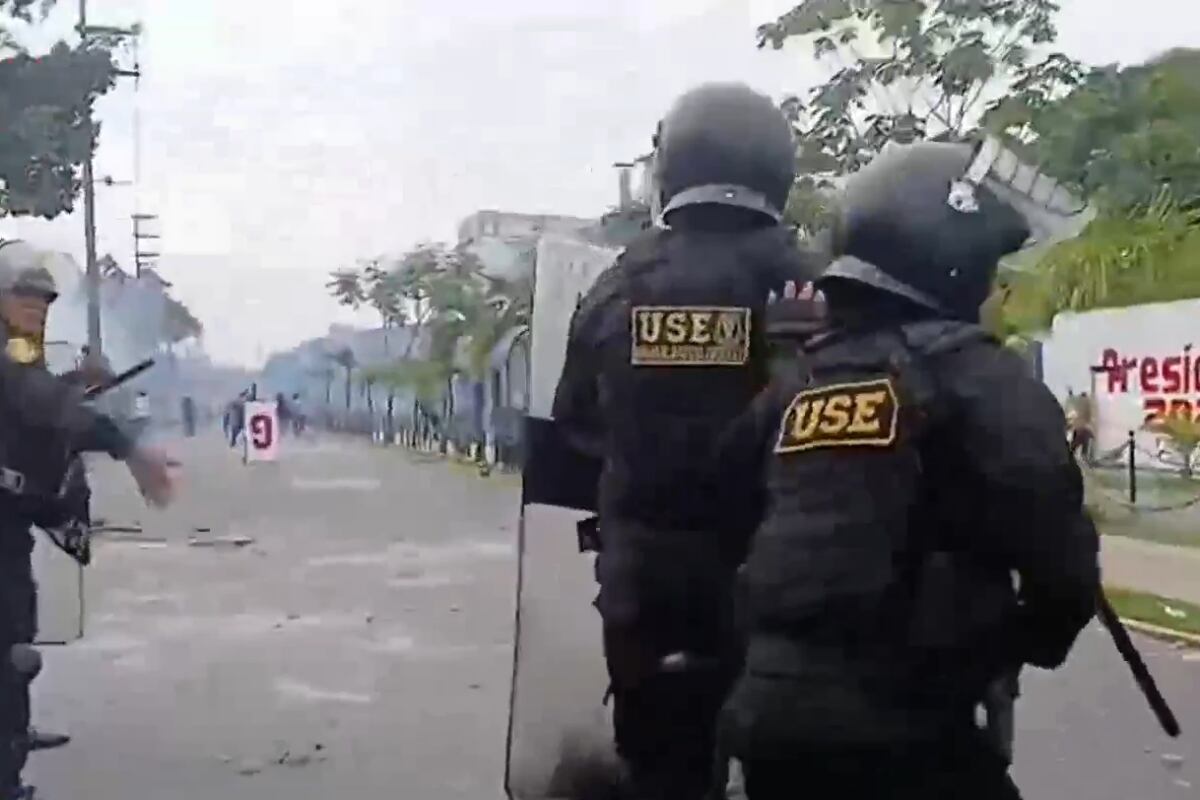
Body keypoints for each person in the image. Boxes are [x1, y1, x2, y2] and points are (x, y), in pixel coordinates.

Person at [717, 139, 1100, 799]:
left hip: (768, 721)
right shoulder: (979, 378)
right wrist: (1020, 637)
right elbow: (1060, 559)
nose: (995, 291)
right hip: (906, 729)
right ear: (956, 267)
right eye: (990, 270)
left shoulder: (800, 383)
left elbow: (722, 505)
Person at [551, 83, 819, 799]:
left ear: (670, 168)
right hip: (785, 593)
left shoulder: (617, 285)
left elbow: (573, 424)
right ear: (776, 166)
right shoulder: (811, 280)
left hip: (647, 592)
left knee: (657, 770)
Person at [0, 239, 179, 800]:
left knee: (17, 639)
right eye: (24, 296)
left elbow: (41, 398)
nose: (36, 305)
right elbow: (40, 405)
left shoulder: (20, 349)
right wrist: (129, 448)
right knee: (9, 647)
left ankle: (14, 741)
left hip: (12, 518)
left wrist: (82, 382)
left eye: (44, 299)